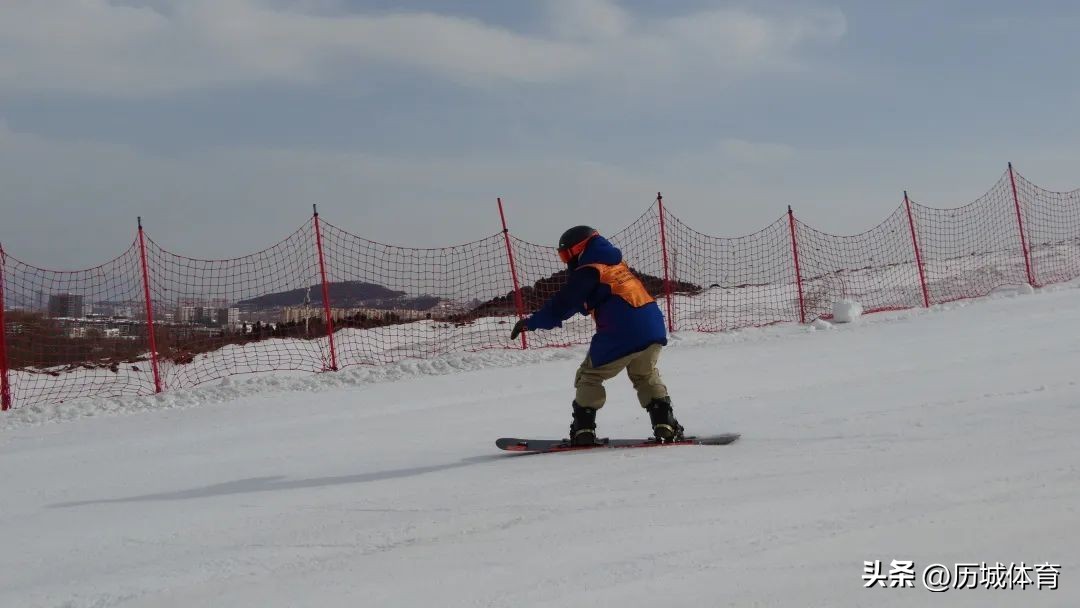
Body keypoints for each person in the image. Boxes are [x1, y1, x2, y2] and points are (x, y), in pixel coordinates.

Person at [510, 225, 683, 445]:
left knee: (589, 375)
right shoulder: (616, 264)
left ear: (579, 248)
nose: (566, 261)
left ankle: (583, 431)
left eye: (567, 255)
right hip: (653, 326)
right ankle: (665, 425)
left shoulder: (590, 269)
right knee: (645, 374)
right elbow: (605, 296)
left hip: (622, 332)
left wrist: (532, 323)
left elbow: (563, 303)